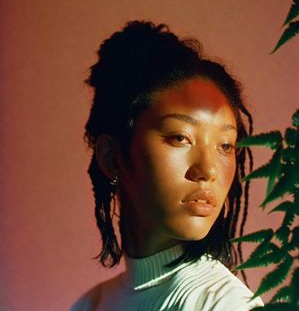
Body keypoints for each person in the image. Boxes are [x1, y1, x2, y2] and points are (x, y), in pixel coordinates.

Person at [71, 21, 264, 310]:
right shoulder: (91, 304)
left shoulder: (225, 304)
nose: (208, 170)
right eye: (179, 138)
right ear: (111, 158)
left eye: (225, 146)